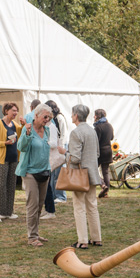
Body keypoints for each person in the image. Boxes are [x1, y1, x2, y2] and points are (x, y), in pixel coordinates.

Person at [17, 104, 54, 247]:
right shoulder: (27, 129)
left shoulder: (47, 131)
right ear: (36, 115)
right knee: (32, 206)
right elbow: (21, 147)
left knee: (39, 205)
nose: (47, 120)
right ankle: (31, 237)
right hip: (30, 172)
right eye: (45, 117)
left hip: (44, 171)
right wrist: (26, 134)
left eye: (49, 118)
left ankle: (35, 233)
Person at [66, 104, 102, 249]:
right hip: (92, 173)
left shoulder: (76, 133)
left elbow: (74, 158)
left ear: (76, 115)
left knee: (79, 207)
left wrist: (65, 154)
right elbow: (97, 153)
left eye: (72, 114)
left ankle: (83, 240)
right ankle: (96, 238)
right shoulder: (92, 131)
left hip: (80, 175)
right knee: (92, 206)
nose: (71, 116)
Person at [0, 102, 22, 222]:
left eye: (16, 111)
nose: (15, 113)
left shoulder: (15, 124)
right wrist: (4, 143)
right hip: (2, 159)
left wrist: (24, 125)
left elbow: (22, 134)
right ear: (6, 110)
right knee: (0, 186)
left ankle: (8, 211)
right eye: (13, 110)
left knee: (11, 185)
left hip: (14, 159)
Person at [46, 100, 70, 206]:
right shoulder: (52, 119)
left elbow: (63, 134)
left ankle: (61, 196)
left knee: (59, 173)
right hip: (55, 147)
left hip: (60, 146)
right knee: (53, 172)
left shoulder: (59, 118)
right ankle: (55, 195)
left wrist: (61, 148)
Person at [93, 108, 114, 198]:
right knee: (105, 172)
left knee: (93, 169)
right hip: (108, 150)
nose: (93, 117)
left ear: (98, 116)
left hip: (100, 151)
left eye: (94, 115)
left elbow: (96, 140)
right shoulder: (109, 125)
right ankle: (105, 192)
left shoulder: (98, 127)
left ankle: (102, 185)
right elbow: (112, 137)